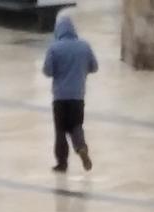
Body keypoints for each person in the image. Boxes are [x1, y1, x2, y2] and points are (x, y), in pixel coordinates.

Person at [43, 15, 98, 173]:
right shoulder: (84, 46)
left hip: (60, 97)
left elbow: (47, 71)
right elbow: (94, 67)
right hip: (78, 96)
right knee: (76, 125)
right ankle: (81, 147)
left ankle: (62, 163)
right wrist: (81, 71)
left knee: (60, 130)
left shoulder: (54, 48)